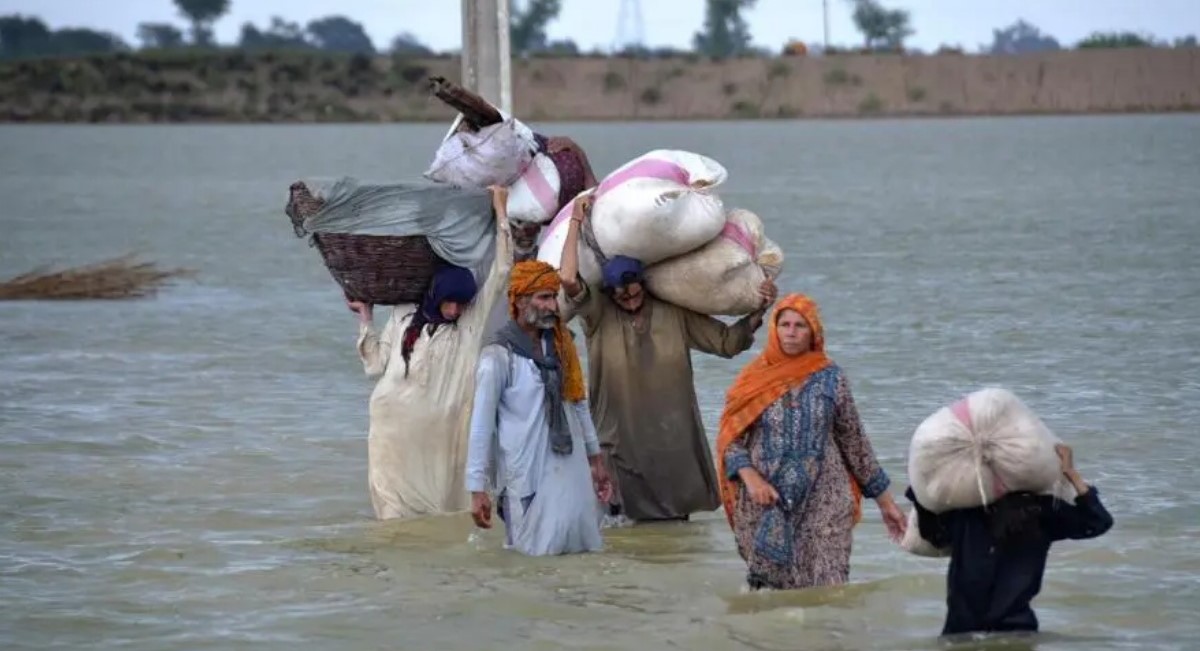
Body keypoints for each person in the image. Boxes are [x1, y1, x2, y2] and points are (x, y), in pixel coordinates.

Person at [557, 195, 777, 523]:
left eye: (634, 291)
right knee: (617, 525)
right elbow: (568, 279)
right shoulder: (598, 315)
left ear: (644, 285)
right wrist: (575, 220)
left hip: (671, 440)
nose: (629, 299)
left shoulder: (673, 312)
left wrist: (759, 308)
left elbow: (728, 343)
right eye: (621, 294)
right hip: (617, 439)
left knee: (674, 526)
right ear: (609, 293)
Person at [716, 293, 907, 590]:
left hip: (826, 500)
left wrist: (886, 504)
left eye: (800, 326)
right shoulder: (752, 380)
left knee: (830, 589)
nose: (791, 332)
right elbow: (730, 440)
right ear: (775, 330)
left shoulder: (831, 378)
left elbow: (855, 443)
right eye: (785, 324)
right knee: (770, 598)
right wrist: (751, 478)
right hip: (766, 500)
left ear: (813, 333)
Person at [349, 185, 513, 520]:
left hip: (442, 431)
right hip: (393, 427)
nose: (453, 309)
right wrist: (366, 318)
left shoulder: (469, 324)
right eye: (448, 301)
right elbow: (376, 365)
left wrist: (501, 211)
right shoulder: (404, 315)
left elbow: (501, 271)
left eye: (460, 303)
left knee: (443, 507)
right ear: (435, 294)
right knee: (393, 511)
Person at [464, 260, 613, 556]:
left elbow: (579, 403)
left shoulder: (562, 347)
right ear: (519, 301)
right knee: (531, 557)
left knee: (577, 548)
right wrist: (477, 488)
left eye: (554, 297)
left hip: (570, 467)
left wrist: (596, 460)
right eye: (543, 297)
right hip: (525, 473)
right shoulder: (497, 356)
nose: (552, 307)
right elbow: (481, 426)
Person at [906, 443, 1114, 638]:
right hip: (1017, 632)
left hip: (962, 632)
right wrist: (1071, 473)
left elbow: (935, 537)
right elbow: (1098, 522)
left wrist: (922, 489)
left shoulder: (965, 511)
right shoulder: (1043, 511)